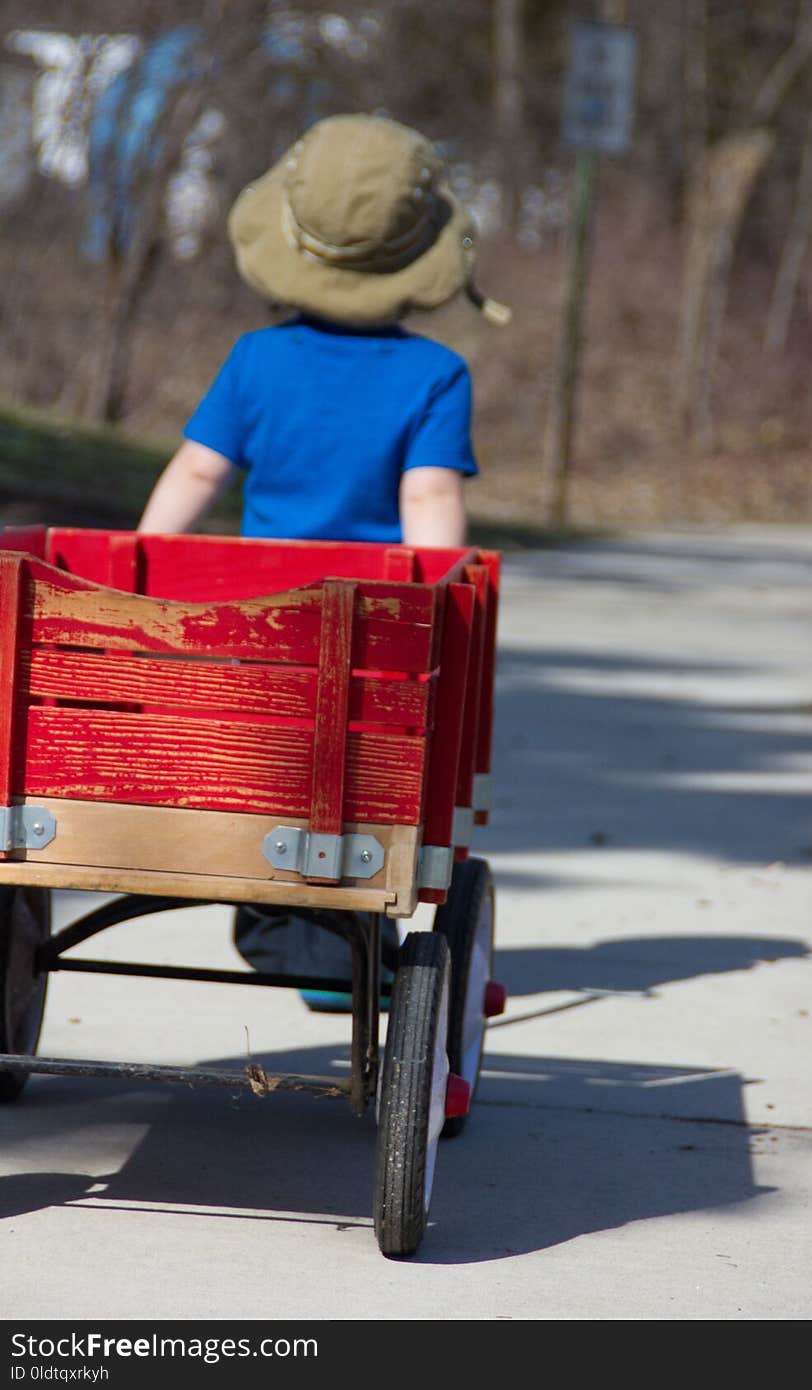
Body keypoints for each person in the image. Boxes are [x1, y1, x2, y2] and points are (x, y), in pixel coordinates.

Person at [138, 112, 509, 1008]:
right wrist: (441, 611)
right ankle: (339, 944)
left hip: (249, 637)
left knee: (271, 744)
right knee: (363, 762)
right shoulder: (434, 377)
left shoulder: (256, 359)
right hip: (372, 631)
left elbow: (197, 471)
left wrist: (139, 574)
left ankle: (289, 930)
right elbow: (426, 502)